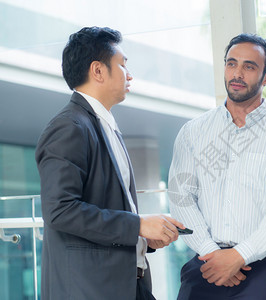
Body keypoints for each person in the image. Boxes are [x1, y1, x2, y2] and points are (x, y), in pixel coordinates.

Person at [35, 26, 185, 300]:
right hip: (91, 288)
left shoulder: (105, 125)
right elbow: (60, 210)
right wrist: (137, 225)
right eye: (122, 65)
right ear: (98, 71)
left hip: (128, 283)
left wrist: (144, 238)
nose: (130, 75)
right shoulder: (69, 126)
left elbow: (108, 208)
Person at [168, 33, 266, 300]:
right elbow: (181, 197)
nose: (237, 73)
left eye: (249, 66)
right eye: (231, 63)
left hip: (259, 270)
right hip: (204, 262)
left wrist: (239, 255)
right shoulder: (193, 132)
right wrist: (213, 254)